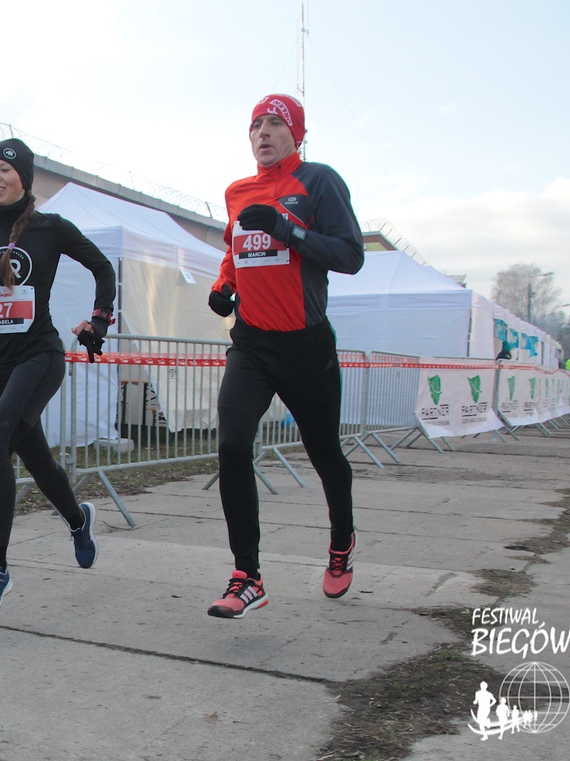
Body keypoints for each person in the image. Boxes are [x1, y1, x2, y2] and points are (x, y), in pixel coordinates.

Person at [206, 94, 365, 619]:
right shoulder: (238, 191)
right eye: (256, 124)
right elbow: (235, 251)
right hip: (252, 344)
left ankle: (341, 541)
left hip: (306, 345)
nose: (264, 132)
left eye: (275, 123)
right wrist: (224, 286)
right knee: (232, 443)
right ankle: (247, 576)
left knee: (324, 454)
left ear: (297, 134)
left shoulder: (318, 181)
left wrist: (288, 229)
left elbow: (350, 255)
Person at [0, 138, 116, 612]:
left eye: (4, 169)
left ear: (23, 177)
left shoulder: (50, 227)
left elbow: (103, 267)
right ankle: (78, 520)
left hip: (40, 356)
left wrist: (99, 319)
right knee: (35, 456)